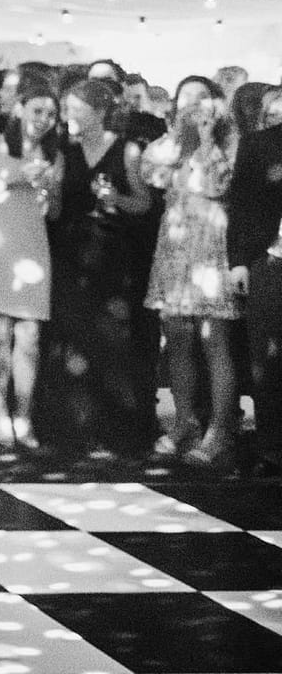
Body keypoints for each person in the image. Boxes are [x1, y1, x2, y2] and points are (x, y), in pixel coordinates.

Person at [42, 77, 158, 454]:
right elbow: (57, 210)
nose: (68, 116)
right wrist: (46, 190)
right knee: (73, 337)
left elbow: (144, 203)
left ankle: (118, 429)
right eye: (67, 109)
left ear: (99, 111)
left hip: (113, 256)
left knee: (113, 341)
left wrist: (116, 198)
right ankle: (72, 428)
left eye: (76, 109)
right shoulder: (64, 153)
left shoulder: (127, 151)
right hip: (71, 256)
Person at [141, 76, 240, 465]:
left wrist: (205, 141)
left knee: (214, 339)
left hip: (213, 249)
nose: (195, 107)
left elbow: (217, 184)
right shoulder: (168, 145)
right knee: (178, 336)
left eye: (203, 99)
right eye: (187, 100)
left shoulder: (228, 144)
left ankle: (222, 429)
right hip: (176, 248)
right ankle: (185, 421)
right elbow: (153, 174)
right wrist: (183, 140)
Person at [0, 76, 62, 450]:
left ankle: (24, 414)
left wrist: (48, 189)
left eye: (51, 113)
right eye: (37, 110)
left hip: (33, 244)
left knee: (30, 335)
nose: (43, 119)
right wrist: (13, 179)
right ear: (20, 108)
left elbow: (55, 212)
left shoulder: (54, 155)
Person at [226, 104, 282, 477]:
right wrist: (240, 261)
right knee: (267, 358)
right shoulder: (260, 144)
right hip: (270, 260)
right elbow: (241, 207)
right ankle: (272, 449)